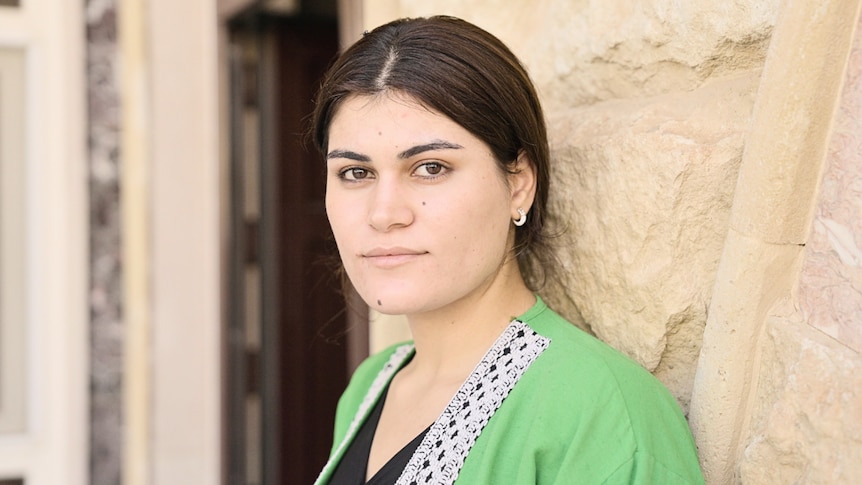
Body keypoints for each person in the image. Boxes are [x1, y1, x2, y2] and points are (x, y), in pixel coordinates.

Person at [310, 15, 704, 485]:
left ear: (518, 184)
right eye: (356, 173)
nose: (384, 213)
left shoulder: (602, 411)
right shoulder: (370, 387)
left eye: (430, 167)